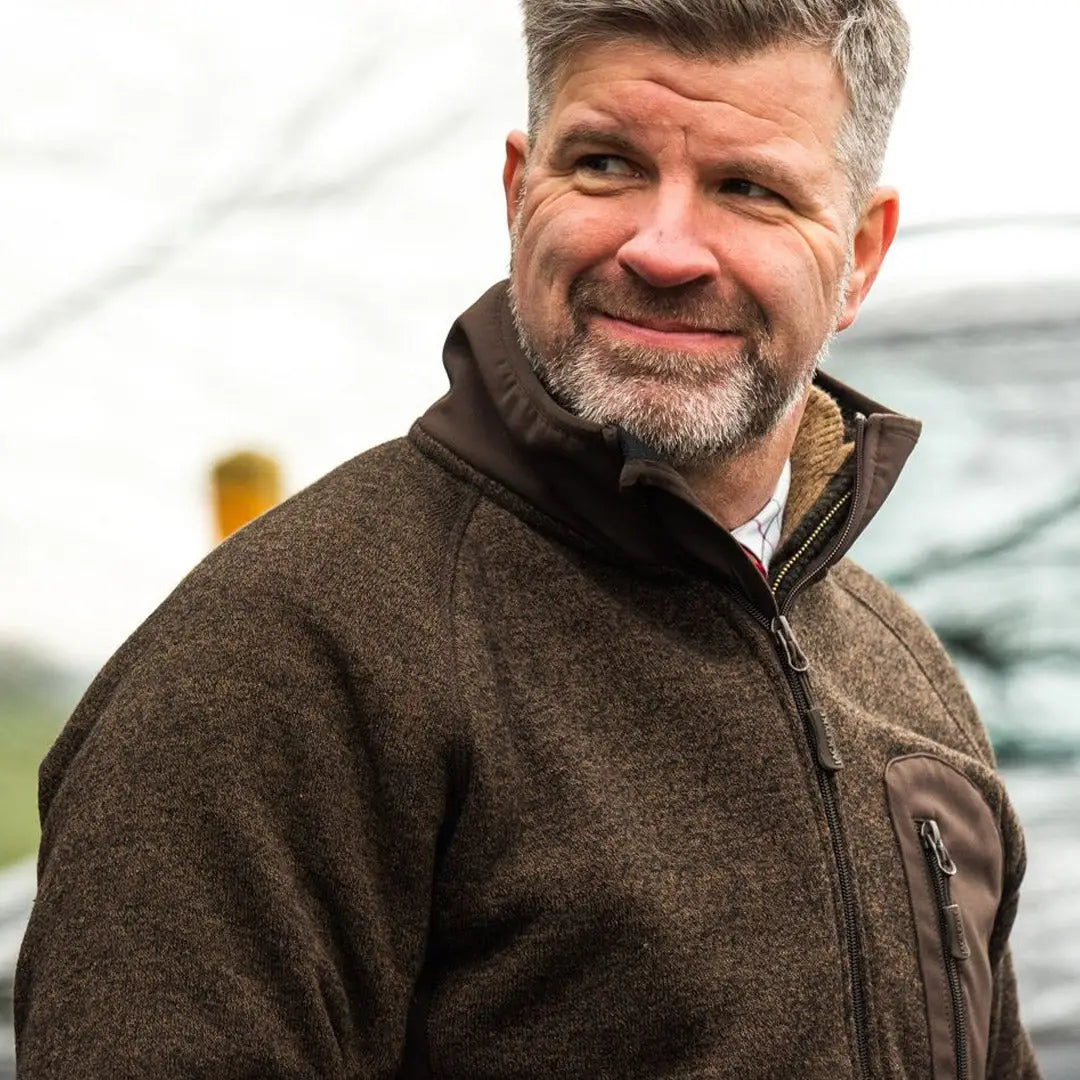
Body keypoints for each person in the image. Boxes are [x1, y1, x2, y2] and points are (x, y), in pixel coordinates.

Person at [15, 1, 1042, 1077]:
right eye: (606, 164)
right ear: (518, 192)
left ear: (861, 258)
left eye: (749, 189)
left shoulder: (912, 686)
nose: (664, 247)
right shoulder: (283, 657)